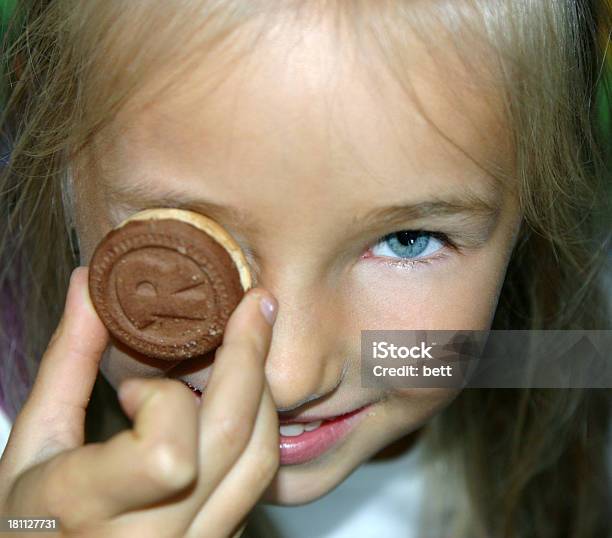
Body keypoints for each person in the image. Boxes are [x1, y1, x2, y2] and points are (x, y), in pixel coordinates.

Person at [0, 1, 611, 536]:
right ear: (47, 146)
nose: (287, 378)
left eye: (407, 240)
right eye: (193, 241)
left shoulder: (576, 369)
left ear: (535, 200)